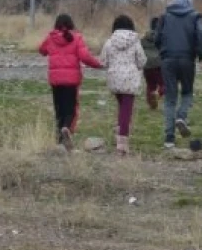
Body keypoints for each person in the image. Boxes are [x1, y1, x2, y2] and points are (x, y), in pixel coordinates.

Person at [39, 14, 103, 152]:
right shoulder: (77, 37)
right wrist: (99, 65)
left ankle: (59, 140)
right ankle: (66, 128)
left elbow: (42, 50)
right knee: (71, 109)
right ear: (71, 24)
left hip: (56, 80)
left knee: (59, 109)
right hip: (71, 80)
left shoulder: (51, 38)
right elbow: (85, 57)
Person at [155, 0, 202, 149]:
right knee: (187, 92)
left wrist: (163, 52)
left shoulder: (164, 17)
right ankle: (181, 116)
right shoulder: (195, 16)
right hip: (187, 59)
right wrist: (201, 54)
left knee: (170, 98)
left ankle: (169, 138)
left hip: (168, 59)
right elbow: (200, 34)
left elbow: (157, 38)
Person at [99, 15, 146, 155]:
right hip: (130, 80)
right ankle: (122, 141)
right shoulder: (135, 42)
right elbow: (142, 61)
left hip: (114, 79)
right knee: (126, 109)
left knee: (122, 107)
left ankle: (120, 128)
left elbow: (103, 61)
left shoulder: (109, 42)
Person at [140, 17, 164, 110]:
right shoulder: (162, 37)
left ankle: (151, 104)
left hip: (147, 64)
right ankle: (158, 93)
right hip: (159, 64)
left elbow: (139, 49)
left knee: (150, 85)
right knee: (164, 84)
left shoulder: (144, 38)